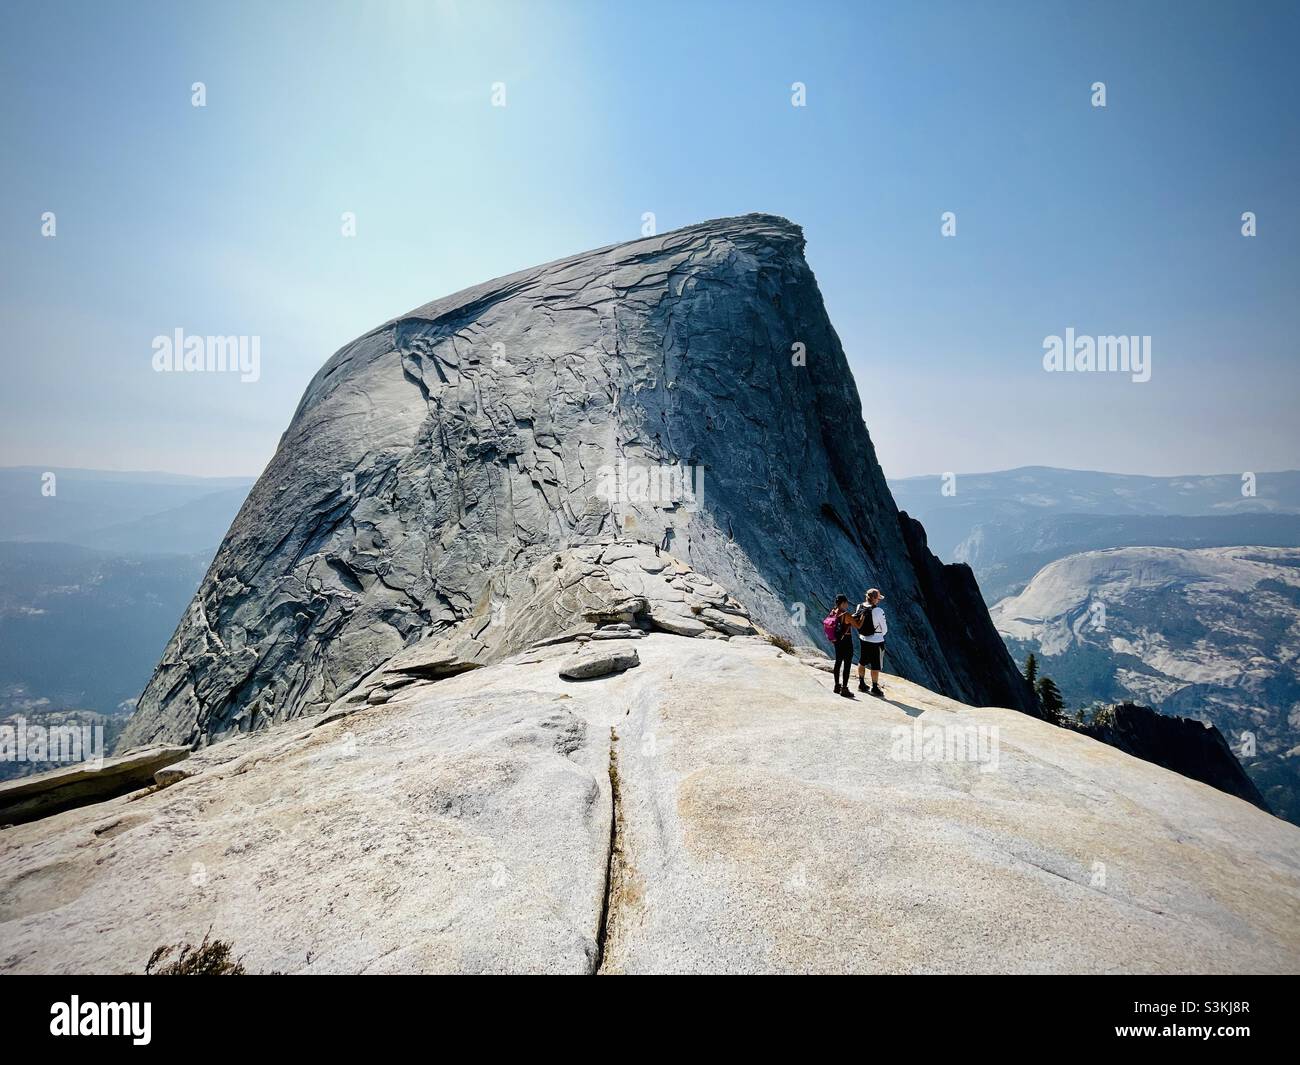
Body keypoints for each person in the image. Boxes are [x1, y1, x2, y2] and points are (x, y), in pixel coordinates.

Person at [854, 588, 888, 697]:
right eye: (878, 598)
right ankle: (874, 687)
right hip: (876, 640)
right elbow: (884, 629)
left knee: (862, 660)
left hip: (863, 638)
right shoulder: (878, 611)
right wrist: (878, 635)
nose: (879, 600)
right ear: (874, 599)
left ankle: (861, 684)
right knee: (875, 664)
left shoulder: (859, 606)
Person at [830, 594, 859, 698]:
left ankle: (837, 686)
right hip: (846, 641)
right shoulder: (846, 614)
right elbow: (857, 625)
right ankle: (845, 689)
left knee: (838, 662)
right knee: (847, 664)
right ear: (842, 603)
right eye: (846, 602)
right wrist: (862, 617)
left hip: (837, 640)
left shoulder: (833, 612)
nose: (847, 604)